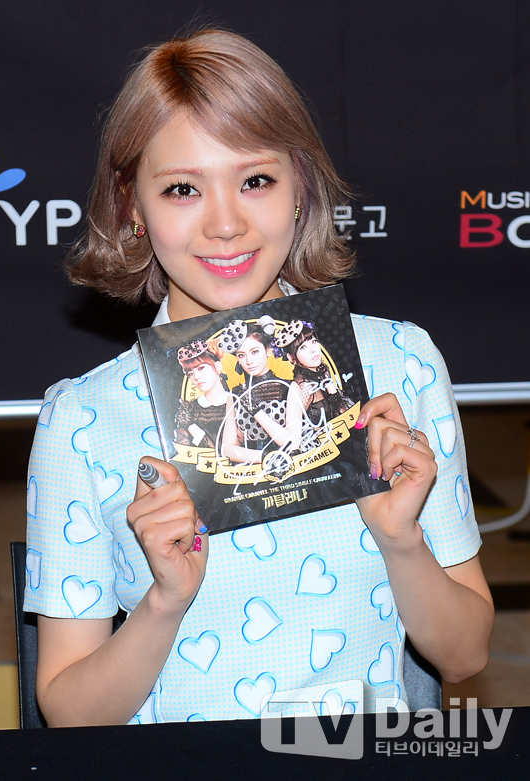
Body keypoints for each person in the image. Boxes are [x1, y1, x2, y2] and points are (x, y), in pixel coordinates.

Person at [24, 28, 493, 727]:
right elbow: (68, 715)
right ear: (132, 207)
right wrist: (164, 601)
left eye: (255, 180)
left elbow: (466, 656)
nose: (225, 224)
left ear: (299, 187)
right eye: (182, 188)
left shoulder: (399, 364)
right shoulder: (83, 421)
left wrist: (402, 541)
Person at [274, 318, 353, 452]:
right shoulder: (304, 386)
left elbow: (341, 409)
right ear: (292, 358)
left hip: (341, 439)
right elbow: (294, 433)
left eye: (314, 342)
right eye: (303, 347)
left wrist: (329, 384)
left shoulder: (321, 371)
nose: (313, 350)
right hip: (322, 450)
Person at [219, 316, 290, 464]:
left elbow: (293, 442)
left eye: (255, 352)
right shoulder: (235, 394)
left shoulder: (288, 387)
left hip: (291, 464)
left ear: (268, 350)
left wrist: (255, 410)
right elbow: (227, 449)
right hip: (252, 469)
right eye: (241, 355)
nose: (249, 361)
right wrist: (266, 458)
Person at [174, 340, 228, 449]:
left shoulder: (239, 401)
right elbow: (183, 451)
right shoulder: (189, 411)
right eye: (190, 373)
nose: (196, 377)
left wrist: (198, 434)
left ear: (217, 366)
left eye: (201, 368)